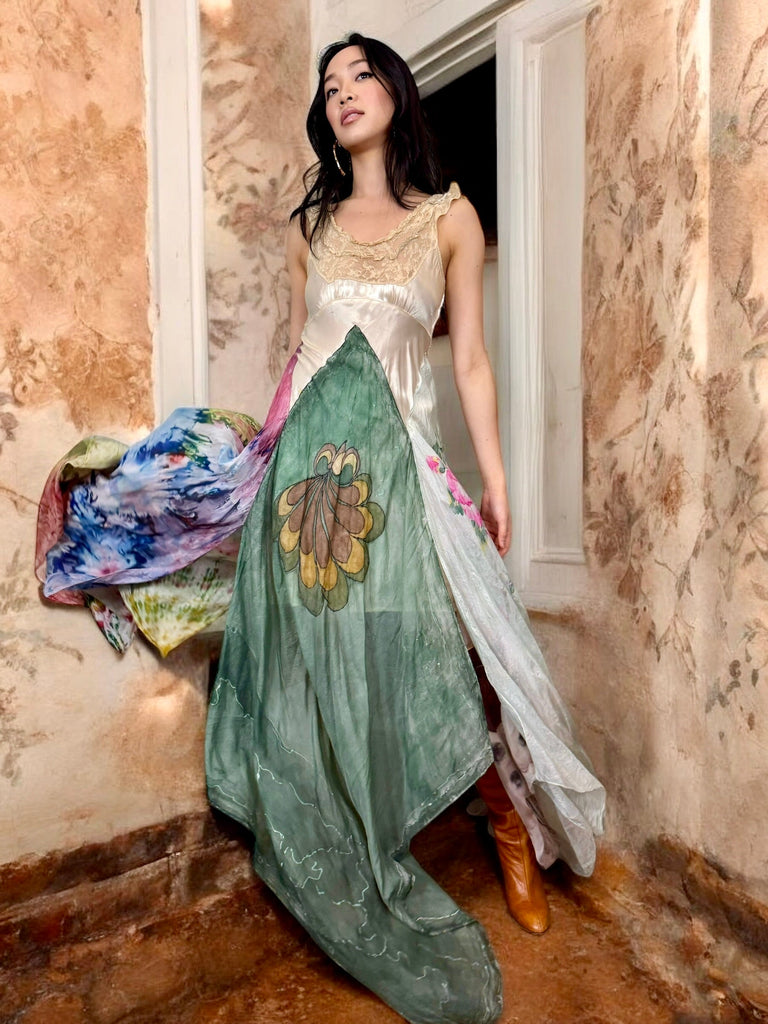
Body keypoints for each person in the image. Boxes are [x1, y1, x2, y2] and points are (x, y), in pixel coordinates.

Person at [36, 32, 605, 1024]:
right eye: (329, 83)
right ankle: (362, 837)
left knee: (458, 654)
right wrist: (250, 468)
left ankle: (508, 828)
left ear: (395, 89)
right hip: (314, 485)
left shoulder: (451, 218)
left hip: (406, 475)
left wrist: (496, 481)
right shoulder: (310, 231)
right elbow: (301, 362)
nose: (343, 92)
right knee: (334, 660)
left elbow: (469, 363)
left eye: (360, 74)